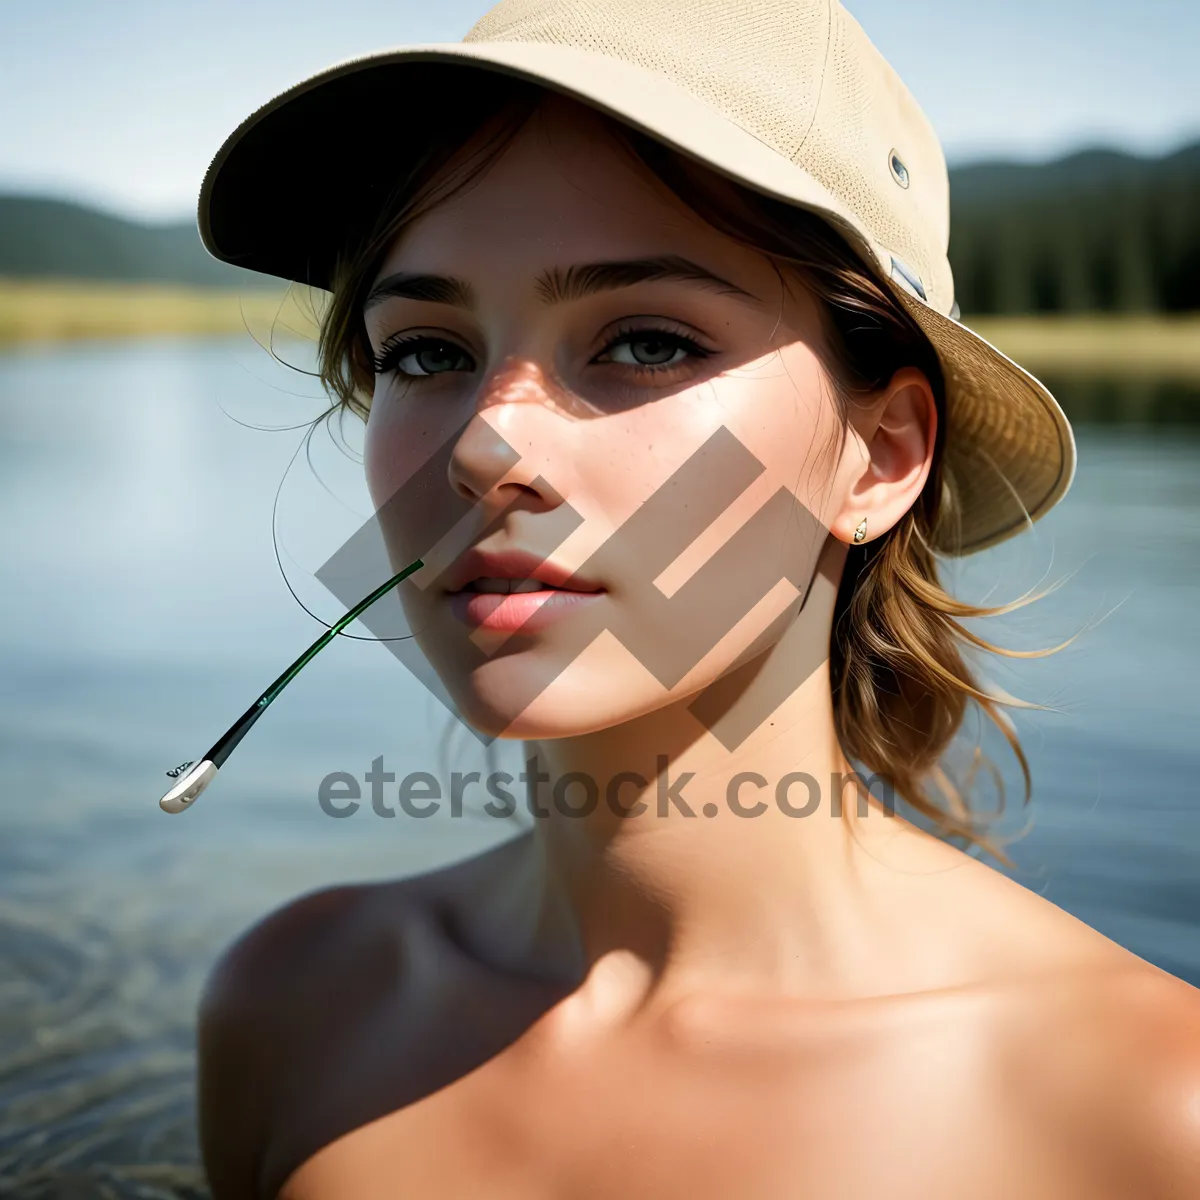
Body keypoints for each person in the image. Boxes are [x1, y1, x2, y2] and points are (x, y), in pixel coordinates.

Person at [193, 2, 1200, 1196]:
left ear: (879, 456)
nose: (486, 443)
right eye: (425, 351)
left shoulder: (1141, 1110)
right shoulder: (294, 1009)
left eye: (651, 341)